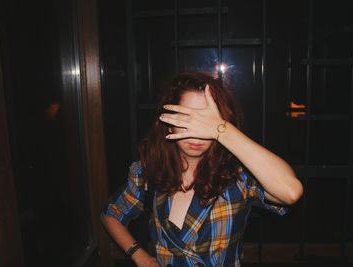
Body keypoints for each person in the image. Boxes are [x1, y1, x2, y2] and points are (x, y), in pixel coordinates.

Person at [101, 72, 303, 267]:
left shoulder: (237, 176)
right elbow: (111, 214)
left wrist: (221, 130)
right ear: (169, 124)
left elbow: (290, 191)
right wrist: (140, 256)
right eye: (187, 118)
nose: (197, 132)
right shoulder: (147, 172)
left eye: (206, 121)